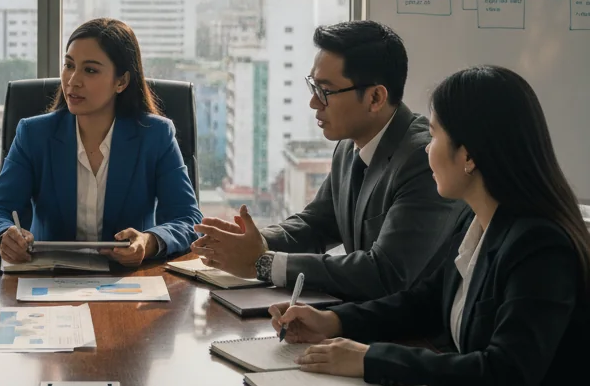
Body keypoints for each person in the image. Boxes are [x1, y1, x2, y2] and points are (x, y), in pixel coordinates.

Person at [270, 66, 590, 386]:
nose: (426, 148)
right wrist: (332, 321)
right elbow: (423, 302)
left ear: (469, 155)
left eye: (435, 135)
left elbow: (502, 378)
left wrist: (370, 359)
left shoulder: (540, 247)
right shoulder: (479, 220)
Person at [193, 20, 461, 300]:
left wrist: (262, 263)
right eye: (313, 87)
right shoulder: (349, 146)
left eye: (326, 91)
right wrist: (253, 241)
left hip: (418, 335)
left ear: (375, 97)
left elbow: (384, 272)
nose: (314, 103)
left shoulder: (422, 160)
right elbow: (317, 224)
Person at [0, 18, 201, 266]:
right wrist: (3, 237)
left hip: (129, 281)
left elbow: (188, 219)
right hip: (48, 280)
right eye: (69, 65)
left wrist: (148, 242)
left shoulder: (155, 136)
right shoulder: (33, 135)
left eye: (90, 70)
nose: (73, 80)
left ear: (121, 82)